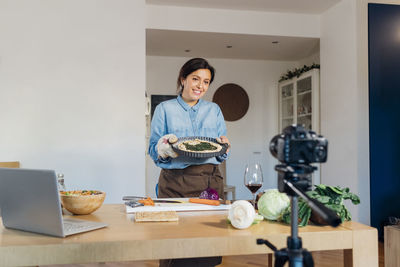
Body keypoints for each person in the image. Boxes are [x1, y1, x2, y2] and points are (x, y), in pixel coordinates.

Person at [148, 58, 230, 267]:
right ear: (183, 79)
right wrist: (163, 149)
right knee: (174, 246)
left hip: (209, 182)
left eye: (206, 82)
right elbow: (153, 149)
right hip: (175, 184)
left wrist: (224, 148)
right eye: (195, 79)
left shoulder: (215, 110)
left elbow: (220, 151)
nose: (200, 86)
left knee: (207, 248)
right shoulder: (164, 109)